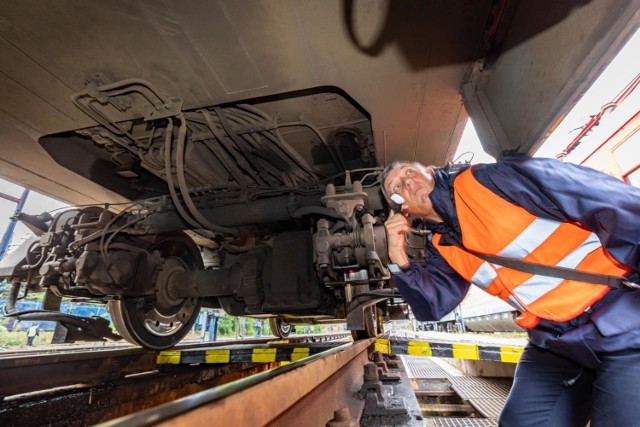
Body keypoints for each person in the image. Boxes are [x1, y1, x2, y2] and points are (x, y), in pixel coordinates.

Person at [381, 154, 640, 427]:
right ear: (403, 209)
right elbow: (432, 306)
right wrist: (399, 259)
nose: (407, 184)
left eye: (408, 173)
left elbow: (606, 198)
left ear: (430, 170)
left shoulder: (492, 179)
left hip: (623, 321)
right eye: (396, 188)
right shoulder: (440, 244)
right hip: (556, 342)